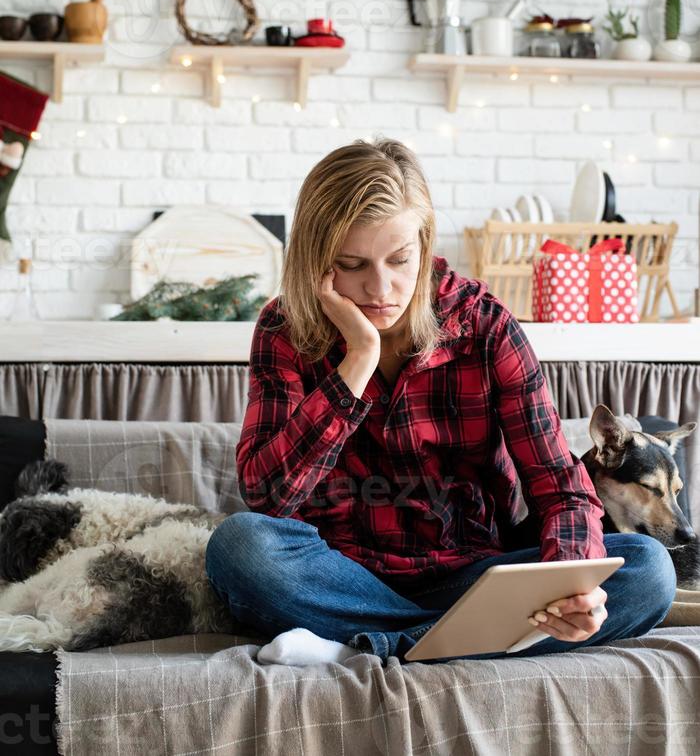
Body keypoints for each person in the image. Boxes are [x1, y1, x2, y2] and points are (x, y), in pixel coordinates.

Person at [205, 138, 676, 665]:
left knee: (649, 571)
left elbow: (558, 484)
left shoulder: (485, 325)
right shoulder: (283, 328)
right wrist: (358, 360)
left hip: (473, 577)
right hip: (339, 576)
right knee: (239, 548)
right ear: (316, 259)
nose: (380, 288)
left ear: (424, 245)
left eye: (400, 260)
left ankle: (358, 648)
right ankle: (445, 642)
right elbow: (269, 498)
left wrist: (572, 582)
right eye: (351, 263)